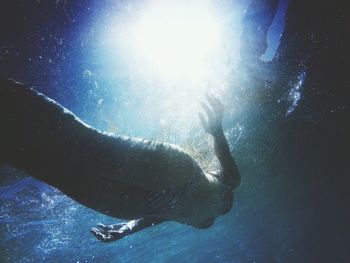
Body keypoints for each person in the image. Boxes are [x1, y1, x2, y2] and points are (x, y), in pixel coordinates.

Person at [0, 78, 240, 242]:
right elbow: (228, 167)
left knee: (57, 175)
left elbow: (160, 219)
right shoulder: (229, 188)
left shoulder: (204, 221)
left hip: (149, 206)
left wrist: (127, 229)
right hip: (179, 173)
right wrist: (217, 130)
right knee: (84, 144)